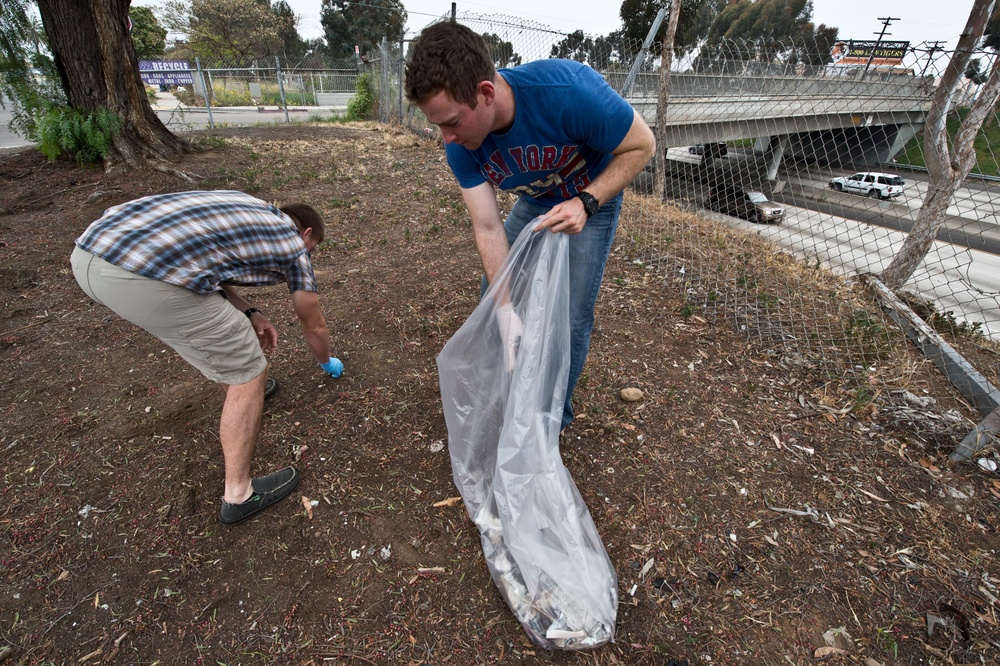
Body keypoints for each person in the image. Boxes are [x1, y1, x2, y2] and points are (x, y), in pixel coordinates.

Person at [405, 21, 656, 431]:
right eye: (438, 125)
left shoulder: (569, 92)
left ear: (486, 93)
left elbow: (642, 144)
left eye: (451, 121)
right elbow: (487, 227)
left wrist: (588, 202)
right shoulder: (461, 145)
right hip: (537, 198)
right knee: (495, 298)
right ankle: (509, 394)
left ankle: (549, 421)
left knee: (569, 316)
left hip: (592, 193)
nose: (446, 137)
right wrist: (504, 311)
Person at [70, 190, 345, 525]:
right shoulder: (293, 245)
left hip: (92, 255)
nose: (309, 254)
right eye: (312, 248)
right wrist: (326, 362)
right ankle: (239, 494)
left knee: (215, 336)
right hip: (140, 275)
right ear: (306, 234)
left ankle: (239, 394)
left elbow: (204, 266)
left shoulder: (249, 208)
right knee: (249, 367)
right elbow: (312, 322)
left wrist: (251, 312)